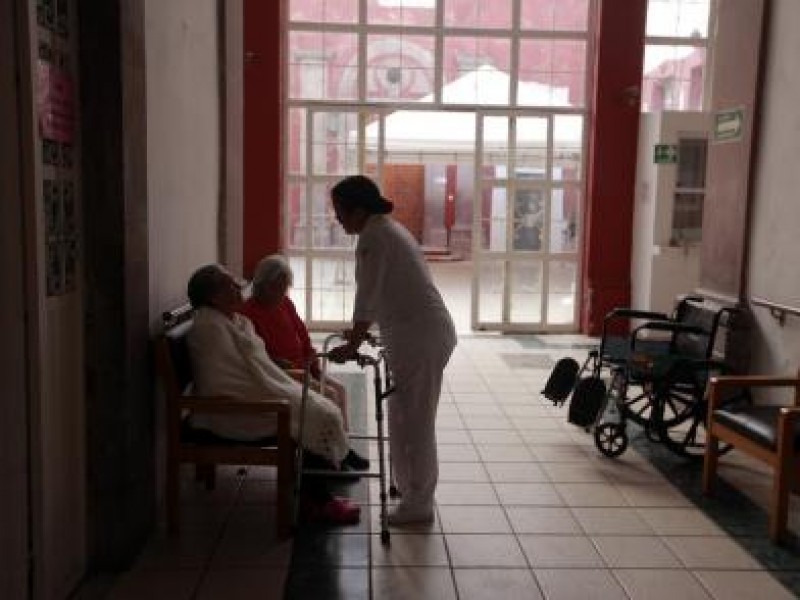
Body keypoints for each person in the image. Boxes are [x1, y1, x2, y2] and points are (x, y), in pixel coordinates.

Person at [185, 264, 366, 524]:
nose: (239, 287)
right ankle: (317, 503)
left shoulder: (232, 320)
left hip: (261, 391)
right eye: (230, 284)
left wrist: (288, 380)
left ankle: (318, 492)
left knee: (317, 403)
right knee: (313, 412)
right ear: (214, 297)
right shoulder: (210, 328)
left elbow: (262, 362)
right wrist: (278, 389)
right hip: (230, 413)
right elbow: (224, 382)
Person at [327, 175, 457, 525]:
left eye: (339, 212)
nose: (337, 219)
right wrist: (363, 332)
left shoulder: (375, 237)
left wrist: (353, 342)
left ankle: (420, 504)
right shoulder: (386, 230)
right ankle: (407, 489)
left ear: (358, 209)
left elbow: (366, 296)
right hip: (416, 334)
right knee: (401, 418)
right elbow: (388, 293)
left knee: (415, 422)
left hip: (421, 337)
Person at [239, 254, 350, 428]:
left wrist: (313, 366)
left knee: (340, 390)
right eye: (275, 288)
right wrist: (294, 369)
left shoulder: (285, 303)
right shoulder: (247, 314)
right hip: (284, 374)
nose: (279, 294)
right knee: (330, 395)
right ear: (260, 285)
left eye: (284, 288)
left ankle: (343, 444)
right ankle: (332, 449)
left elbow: (303, 335)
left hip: (303, 368)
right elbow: (257, 355)